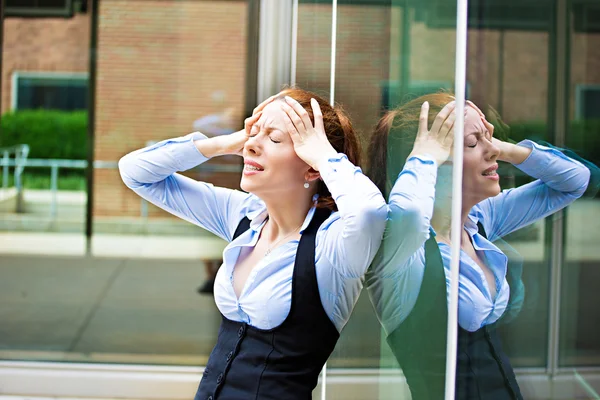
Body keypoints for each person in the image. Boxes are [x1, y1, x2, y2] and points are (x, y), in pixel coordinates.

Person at [118, 88, 387, 399]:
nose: (252, 146)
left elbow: (369, 212)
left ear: (312, 167)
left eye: (273, 139)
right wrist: (228, 142)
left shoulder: (331, 245)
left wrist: (326, 155)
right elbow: (136, 173)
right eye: (253, 133)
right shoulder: (244, 216)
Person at [365, 93, 591, 399]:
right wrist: (424, 156)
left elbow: (576, 180)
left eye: (491, 139)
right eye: (473, 143)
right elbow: (410, 213)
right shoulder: (403, 252)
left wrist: (504, 148)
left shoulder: (480, 219)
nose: (492, 151)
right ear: (434, 162)